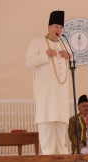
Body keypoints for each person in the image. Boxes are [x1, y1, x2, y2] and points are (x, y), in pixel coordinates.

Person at [25, 10, 71, 155]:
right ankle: (47, 155)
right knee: (47, 124)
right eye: (56, 26)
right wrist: (45, 55)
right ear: (48, 27)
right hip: (45, 94)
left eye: (61, 27)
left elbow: (74, 67)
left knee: (61, 126)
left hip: (61, 95)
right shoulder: (37, 42)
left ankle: (62, 154)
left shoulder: (65, 45)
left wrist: (70, 57)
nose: (58, 30)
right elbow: (28, 62)